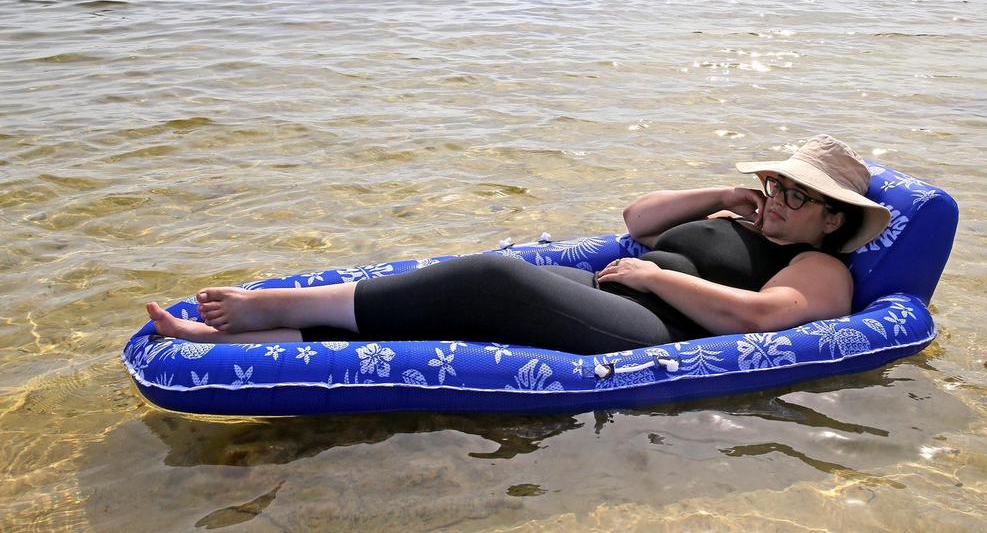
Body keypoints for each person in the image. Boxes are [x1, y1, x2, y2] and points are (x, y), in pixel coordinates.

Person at [145, 135, 890, 355]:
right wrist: (724, 195)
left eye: (797, 195)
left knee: (492, 279)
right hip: (614, 296)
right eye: (774, 183)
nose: (777, 198)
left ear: (833, 220)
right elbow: (638, 217)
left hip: (654, 330)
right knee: (449, 311)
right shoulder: (741, 217)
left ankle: (274, 308)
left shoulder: (820, 266)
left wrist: (656, 280)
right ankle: (246, 342)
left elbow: (762, 318)